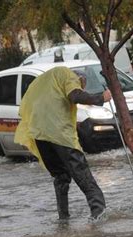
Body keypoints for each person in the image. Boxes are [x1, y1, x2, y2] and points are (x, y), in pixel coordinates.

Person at [15, 66, 112, 220]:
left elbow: (52, 104)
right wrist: (101, 98)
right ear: (80, 79)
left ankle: (63, 219)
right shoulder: (68, 75)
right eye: (81, 85)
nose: (80, 87)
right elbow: (75, 96)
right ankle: (100, 216)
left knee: (60, 178)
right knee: (83, 176)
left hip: (40, 135)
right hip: (60, 135)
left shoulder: (46, 80)